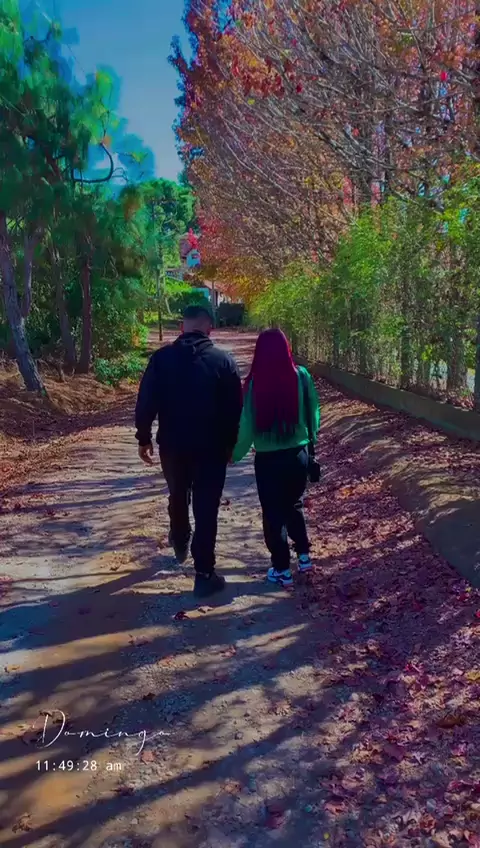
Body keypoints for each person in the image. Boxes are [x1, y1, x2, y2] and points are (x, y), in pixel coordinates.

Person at [135, 304, 243, 598]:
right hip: (211, 448)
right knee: (206, 508)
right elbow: (235, 410)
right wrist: (231, 444)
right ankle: (204, 574)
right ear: (210, 328)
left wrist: (143, 438)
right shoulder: (223, 361)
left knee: (177, 493)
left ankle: (181, 538)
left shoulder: (161, 359)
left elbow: (146, 401)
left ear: (182, 327)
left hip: (173, 446)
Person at [232, 328, 320, 587]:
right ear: (286, 349)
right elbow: (313, 412)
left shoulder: (254, 384)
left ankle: (281, 568)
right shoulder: (301, 376)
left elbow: (246, 425)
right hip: (298, 455)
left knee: (273, 513)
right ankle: (304, 556)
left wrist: (234, 454)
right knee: (294, 505)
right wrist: (310, 439)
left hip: (268, 461)